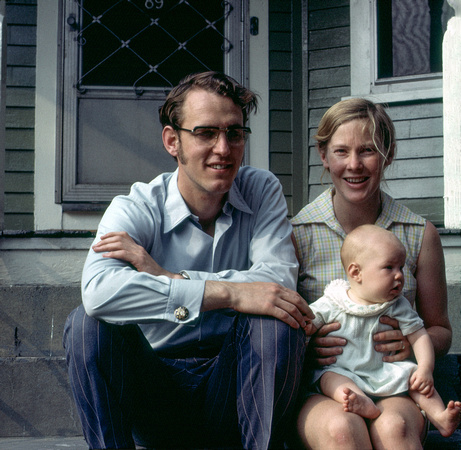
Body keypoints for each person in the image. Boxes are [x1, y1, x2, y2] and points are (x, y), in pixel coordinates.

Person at [63, 71, 313, 450]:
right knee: (85, 326)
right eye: (206, 133)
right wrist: (231, 294)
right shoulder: (136, 207)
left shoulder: (261, 189)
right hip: (154, 391)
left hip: (236, 387)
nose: (224, 149)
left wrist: (167, 276)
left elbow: (276, 282)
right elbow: (99, 293)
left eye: (234, 133)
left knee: (275, 323)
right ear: (172, 140)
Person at [291, 98, 453, 449]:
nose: (354, 165)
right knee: (342, 429)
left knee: (393, 427)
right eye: (340, 151)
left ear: (388, 154)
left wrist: (410, 346)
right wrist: (307, 348)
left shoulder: (418, 233)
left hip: (395, 384)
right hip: (324, 387)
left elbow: (440, 330)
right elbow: (279, 328)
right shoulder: (297, 233)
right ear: (323, 155)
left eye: (367, 150)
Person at [303, 224, 461, 438]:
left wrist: (425, 368)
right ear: (356, 272)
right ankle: (360, 402)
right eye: (389, 268)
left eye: (401, 267)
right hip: (346, 372)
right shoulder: (334, 300)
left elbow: (420, 335)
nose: (399, 276)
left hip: (386, 370)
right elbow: (309, 322)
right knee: (329, 378)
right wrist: (308, 332)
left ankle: (440, 418)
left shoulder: (397, 305)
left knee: (416, 380)